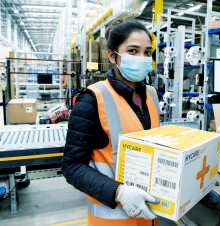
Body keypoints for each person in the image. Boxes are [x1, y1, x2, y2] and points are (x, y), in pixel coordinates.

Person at [62, 19, 162, 226]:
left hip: (148, 215)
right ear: (112, 55)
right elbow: (72, 167)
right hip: (112, 218)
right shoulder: (92, 99)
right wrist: (119, 192)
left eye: (147, 52)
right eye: (133, 51)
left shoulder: (152, 95)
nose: (142, 58)